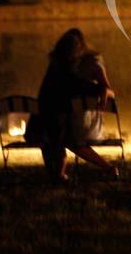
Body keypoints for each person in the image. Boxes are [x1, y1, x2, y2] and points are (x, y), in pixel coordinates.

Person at [26, 28, 119, 181]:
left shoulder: (56, 69)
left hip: (39, 127)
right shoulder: (67, 74)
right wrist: (102, 90)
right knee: (67, 142)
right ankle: (105, 169)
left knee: (57, 143)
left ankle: (59, 174)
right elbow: (86, 88)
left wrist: (102, 90)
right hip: (52, 127)